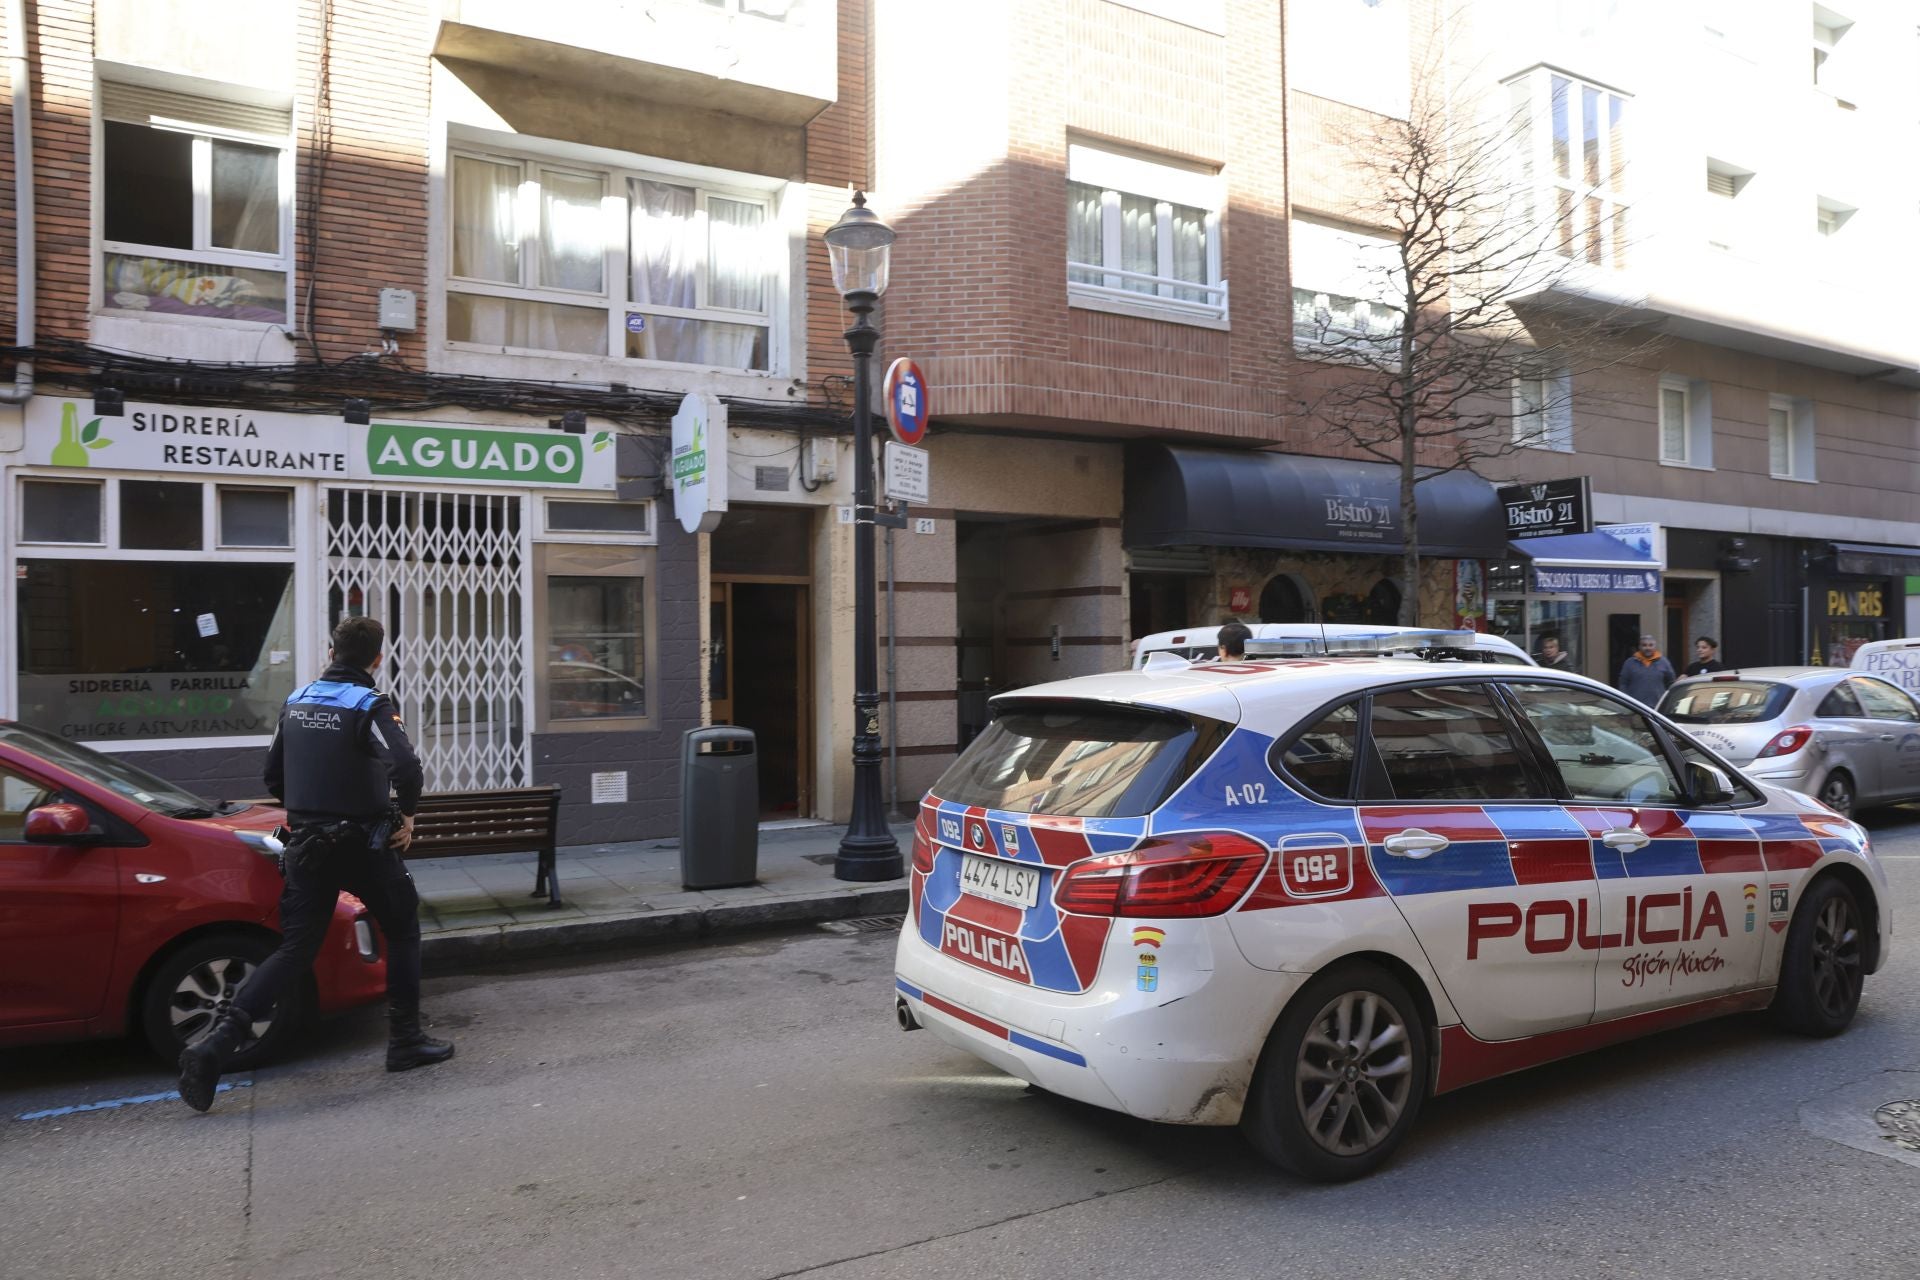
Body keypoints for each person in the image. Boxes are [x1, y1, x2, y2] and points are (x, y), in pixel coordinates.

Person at [177, 617, 453, 1112]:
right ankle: (406, 1042)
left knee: (295, 949)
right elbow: (407, 769)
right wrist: (407, 817)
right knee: (405, 930)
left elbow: (272, 773)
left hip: (306, 844)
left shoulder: (297, 701)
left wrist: (308, 812)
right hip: (364, 844)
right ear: (377, 658)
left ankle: (214, 1047)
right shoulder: (370, 704)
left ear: (330, 651)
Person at [1616, 634, 1677, 706]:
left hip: (1658, 707)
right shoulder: (1629, 663)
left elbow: (1671, 683)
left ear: (1655, 646)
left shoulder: (1664, 662)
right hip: (1635, 707)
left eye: (1651, 645)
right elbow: (1623, 683)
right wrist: (1626, 701)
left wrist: (1666, 701)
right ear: (1639, 647)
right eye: (1644, 645)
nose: (1648, 648)